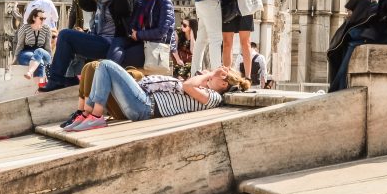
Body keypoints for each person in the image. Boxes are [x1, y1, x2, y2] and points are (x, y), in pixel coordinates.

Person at [66, 61, 250, 131]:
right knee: (99, 67)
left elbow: (187, 85)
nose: (220, 68)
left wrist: (208, 75)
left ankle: (96, 116)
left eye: (223, 71)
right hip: (145, 101)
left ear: (224, 84)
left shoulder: (214, 98)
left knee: (106, 65)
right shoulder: (207, 90)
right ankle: (88, 114)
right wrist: (208, 77)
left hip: (147, 106)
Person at [40, 0, 134, 91]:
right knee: (65, 36)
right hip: (99, 40)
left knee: (66, 35)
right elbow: (83, 3)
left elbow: (125, 9)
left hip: (113, 43)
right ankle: (65, 79)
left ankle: (58, 80)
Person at [327, 0, 387, 92]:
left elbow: (385, 16)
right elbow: (351, 11)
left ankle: (337, 86)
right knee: (347, 42)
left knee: (351, 39)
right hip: (364, 31)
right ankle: (337, 85)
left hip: (378, 33)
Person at [60, 60, 145, 128]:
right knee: (89, 66)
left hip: (127, 111)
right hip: (120, 109)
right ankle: (81, 112)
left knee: (94, 66)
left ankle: (86, 112)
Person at [121, 0, 175, 69]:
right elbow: (133, 24)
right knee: (115, 51)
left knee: (122, 58)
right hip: (140, 42)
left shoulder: (164, 2)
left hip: (156, 46)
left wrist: (138, 34)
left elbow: (161, 32)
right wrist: (132, 33)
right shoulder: (140, 2)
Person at [14, 8, 52, 79]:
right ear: (34, 17)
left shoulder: (47, 29)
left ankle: (30, 72)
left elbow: (48, 46)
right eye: (41, 18)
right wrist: (15, 59)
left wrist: (50, 60)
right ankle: (39, 87)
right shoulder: (25, 28)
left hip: (43, 54)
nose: (43, 20)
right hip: (26, 53)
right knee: (40, 62)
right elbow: (20, 44)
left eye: (44, 18)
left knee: (39, 51)